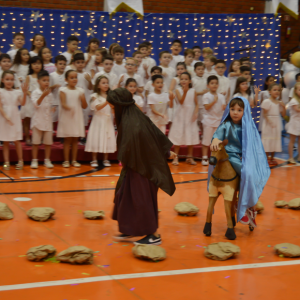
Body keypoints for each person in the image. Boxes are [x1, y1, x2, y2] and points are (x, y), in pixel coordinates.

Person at [107, 88, 176, 245]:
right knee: (125, 197)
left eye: (112, 108)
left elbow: (148, 142)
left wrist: (166, 153)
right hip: (135, 166)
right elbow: (154, 134)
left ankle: (152, 235)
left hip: (143, 170)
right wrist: (166, 151)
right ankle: (130, 229)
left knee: (141, 200)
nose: (112, 111)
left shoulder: (132, 122)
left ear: (120, 106)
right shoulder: (131, 117)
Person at [209, 97, 270, 228]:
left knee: (253, 174)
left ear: (245, 111)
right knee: (246, 173)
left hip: (244, 157)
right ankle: (241, 204)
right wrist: (215, 139)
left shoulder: (248, 127)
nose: (235, 112)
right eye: (232, 109)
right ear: (228, 110)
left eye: (239, 110)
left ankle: (250, 206)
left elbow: (254, 146)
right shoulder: (226, 125)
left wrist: (250, 158)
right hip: (229, 156)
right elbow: (218, 135)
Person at [57, 70, 87, 168]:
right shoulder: (63, 90)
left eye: (75, 77)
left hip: (77, 117)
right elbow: (63, 103)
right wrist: (70, 108)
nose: (74, 79)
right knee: (67, 140)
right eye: (71, 77)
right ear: (66, 79)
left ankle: (74, 160)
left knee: (75, 140)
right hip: (67, 118)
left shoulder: (80, 90)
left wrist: (83, 99)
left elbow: (85, 106)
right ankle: (66, 161)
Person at [168, 72, 199, 165]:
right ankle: (175, 157)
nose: (184, 81)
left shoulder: (193, 91)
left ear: (190, 81)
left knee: (190, 137)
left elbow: (197, 103)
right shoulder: (177, 90)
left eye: (186, 79)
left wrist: (195, 113)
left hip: (190, 116)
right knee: (178, 137)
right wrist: (185, 92)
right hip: (180, 116)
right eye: (182, 79)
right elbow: (181, 102)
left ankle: (190, 157)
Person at [85, 76, 116, 168]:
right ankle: (94, 159)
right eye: (103, 83)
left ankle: (105, 159)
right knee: (96, 138)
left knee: (107, 138)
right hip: (98, 120)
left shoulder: (110, 96)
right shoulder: (95, 96)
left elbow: (113, 109)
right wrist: (108, 100)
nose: (106, 84)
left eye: (107, 82)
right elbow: (97, 107)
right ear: (98, 85)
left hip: (108, 120)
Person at [0, 71, 28, 170]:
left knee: (17, 140)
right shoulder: (1, 91)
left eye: (12, 79)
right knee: (6, 142)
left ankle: (20, 160)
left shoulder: (17, 92)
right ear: (2, 80)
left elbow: (23, 103)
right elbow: (0, 107)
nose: (9, 81)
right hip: (4, 119)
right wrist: (6, 117)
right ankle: (6, 162)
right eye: (7, 79)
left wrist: (24, 93)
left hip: (15, 118)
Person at [30, 70, 54, 169]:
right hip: (38, 121)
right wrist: (43, 95)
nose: (46, 82)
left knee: (48, 143)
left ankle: (47, 160)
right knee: (36, 143)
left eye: (48, 80)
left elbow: (51, 104)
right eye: (44, 80)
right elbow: (36, 104)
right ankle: (34, 160)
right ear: (38, 81)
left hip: (48, 121)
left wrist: (53, 108)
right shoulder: (35, 92)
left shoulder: (50, 94)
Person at [201, 75, 226, 166]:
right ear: (208, 85)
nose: (214, 85)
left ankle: (215, 157)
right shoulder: (206, 96)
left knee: (217, 141)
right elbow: (207, 107)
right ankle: (204, 157)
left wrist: (225, 106)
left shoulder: (221, 96)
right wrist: (214, 101)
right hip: (208, 120)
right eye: (212, 83)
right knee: (206, 140)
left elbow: (223, 107)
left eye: (216, 83)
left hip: (218, 121)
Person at [261, 83, 286, 165]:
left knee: (275, 140)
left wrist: (284, 106)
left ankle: (272, 157)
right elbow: (264, 114)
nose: (277, 91)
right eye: (274, 90)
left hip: (277, 122)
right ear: (269, 92)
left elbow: (283, 115)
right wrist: (269, 121)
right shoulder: (267, 101)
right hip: (269, 123)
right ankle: (267, 157)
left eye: (278, 90)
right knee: (268, 140)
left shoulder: (279, 102)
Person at [23, 56, 44, 145]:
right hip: (30, 101)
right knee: (27, 119)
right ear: (31, 65)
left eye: (38, 63)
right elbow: (25, 89)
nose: (36, 65)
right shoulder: (29, 77)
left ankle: (39, 138)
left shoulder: (43, 76)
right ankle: (28, 137)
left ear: (42, 65)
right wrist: (30, 94)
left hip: (39, 101)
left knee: (39, 120)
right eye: (34, 64)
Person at [50, 55, 67, 123]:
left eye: (64, 64)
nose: (62, 66)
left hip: (64, 102)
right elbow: (48, 89)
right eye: (60, 64)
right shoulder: (52, 75)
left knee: (63, 121)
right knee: (52, 120)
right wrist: (54, 86)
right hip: (54, 102)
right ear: (55, 65)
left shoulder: (67, 75)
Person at [192, 62, 208, 135]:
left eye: (202, 69)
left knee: (203, 121)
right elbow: (191, 92)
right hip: (195, 104)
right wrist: (200, 93)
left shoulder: (206, 80)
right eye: (199, 69)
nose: (201, 71)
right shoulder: (192, 80)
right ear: (195, 70)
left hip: (203, 104)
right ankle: (195, 136)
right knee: (195, 121)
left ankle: (203, 135)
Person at [287, 82, 300, 164]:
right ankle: (291, 157)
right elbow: (297, 109)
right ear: (295, 91)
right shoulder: (293, 100)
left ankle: (299, 156)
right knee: (292, 140)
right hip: (295, 123)